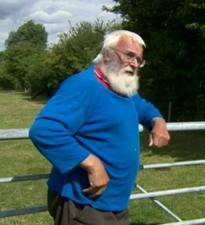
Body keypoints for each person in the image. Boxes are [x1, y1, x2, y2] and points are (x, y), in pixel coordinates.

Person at [29, 30, 170, 225]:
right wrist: (93, 164)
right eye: (129, 55)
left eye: (139, 59)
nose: (135, 64)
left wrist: (158, 121)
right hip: (82, 202)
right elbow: (45, 130)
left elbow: (144, 107)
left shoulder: (121, 88)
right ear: (107, 54)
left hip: (113, 202)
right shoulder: (83, 85)